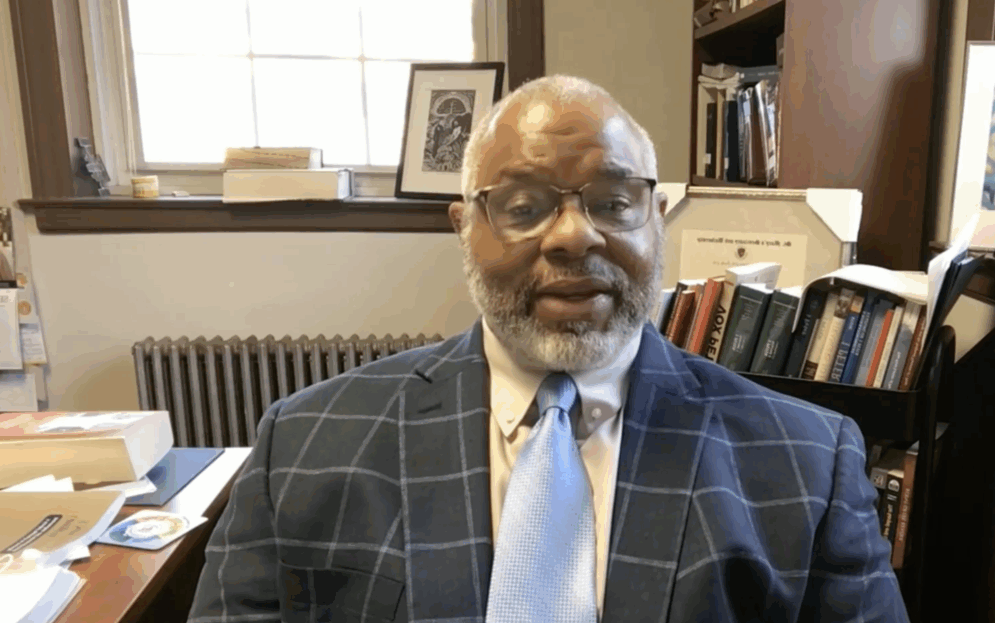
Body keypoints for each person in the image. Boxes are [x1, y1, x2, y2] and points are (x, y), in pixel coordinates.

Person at [187, 75, 907, 623]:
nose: (571, 236)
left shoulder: (808, 461)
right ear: (464, 227)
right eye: (524, 207)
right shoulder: (304, 444)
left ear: (657, 220)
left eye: (612, 202)